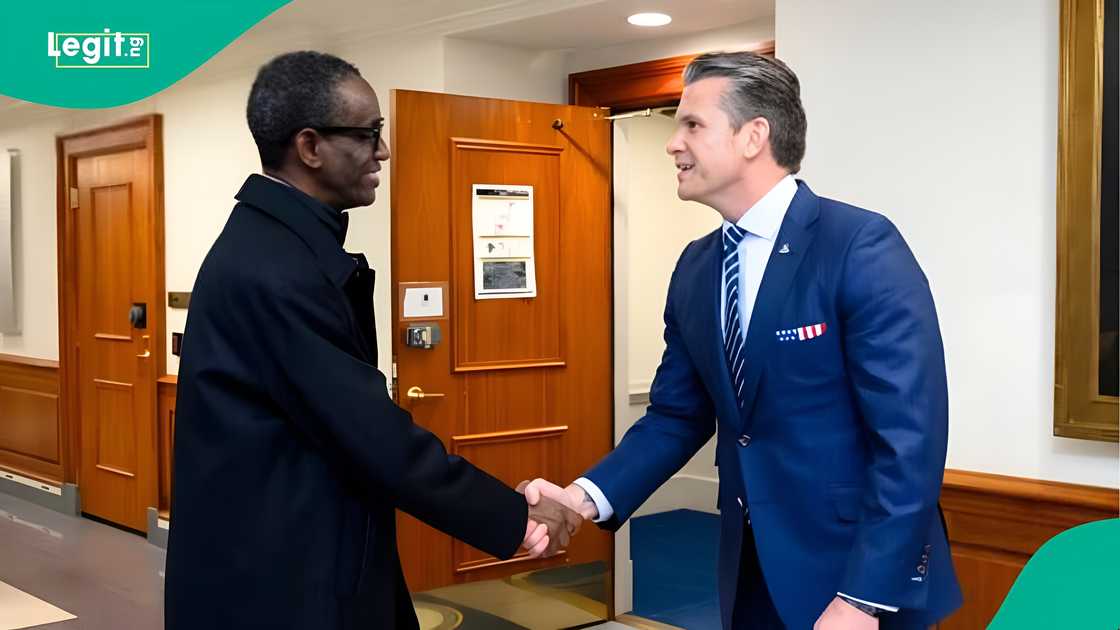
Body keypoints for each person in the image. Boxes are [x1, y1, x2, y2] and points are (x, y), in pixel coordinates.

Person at [525, 51, 962, 629]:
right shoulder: (697, 267)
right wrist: (581, 498)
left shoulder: (858, 245)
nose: (671, 143)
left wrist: (862, 599)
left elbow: (910, 441)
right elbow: (676, 416)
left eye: (692, 125)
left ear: (754, 135)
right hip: (749, 573)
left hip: (856, 581)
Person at [164, 51, 579, 630]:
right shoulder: (276, 270)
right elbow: (374, 438)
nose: (382, 151)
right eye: (368, 134)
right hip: (283, 583)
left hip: (294, 560)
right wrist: (516, 516)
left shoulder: (278, 246)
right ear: (309, 147)